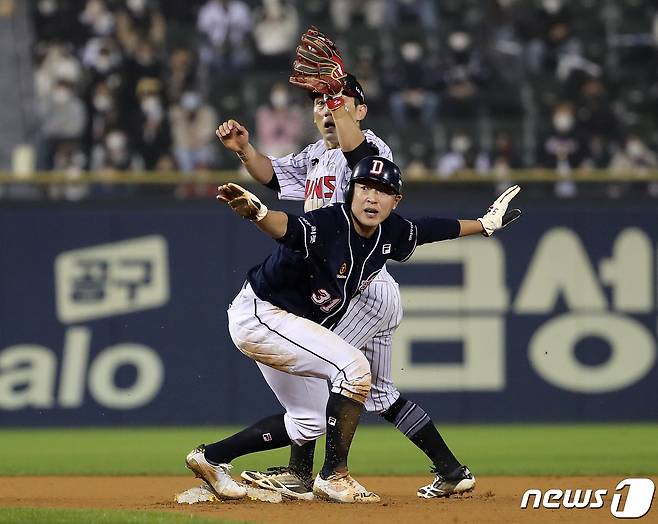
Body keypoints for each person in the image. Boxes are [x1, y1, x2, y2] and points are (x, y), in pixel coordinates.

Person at [215, 26, 480, 501]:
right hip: (347, 282)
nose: (325, 109)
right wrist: (244, 151)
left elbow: (357, 151)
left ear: (359, 110)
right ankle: (451, 469)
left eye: (337, 102)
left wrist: (338, 93)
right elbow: (275, 175)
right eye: (318, 103)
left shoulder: (371, 151)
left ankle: (316, 472)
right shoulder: (319, 153)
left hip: (361, 285)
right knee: (376, 391)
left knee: (326, 374)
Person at [185, 156, 522, 503]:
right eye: (365, 188)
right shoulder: (330, 223)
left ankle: (211, 458)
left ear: (396, 201)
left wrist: (483, 225)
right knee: (354, 369)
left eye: (383, 191)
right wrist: (259, 215)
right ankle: (334, 477)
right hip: (262, 314)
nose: (372, 198)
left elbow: (431, 229)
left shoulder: (392, 231)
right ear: (351, 191)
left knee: (310, 421)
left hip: (284, 323)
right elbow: (288, 227)